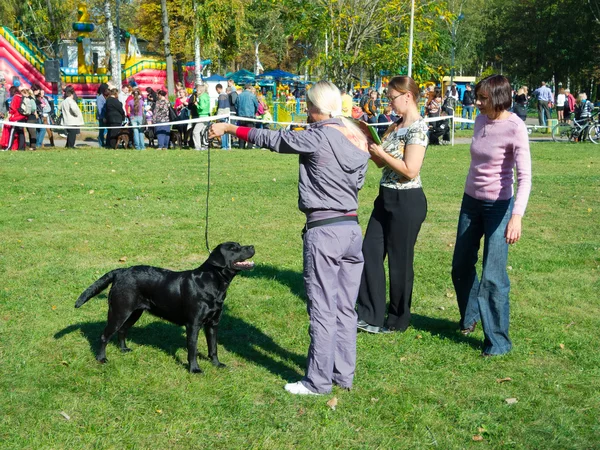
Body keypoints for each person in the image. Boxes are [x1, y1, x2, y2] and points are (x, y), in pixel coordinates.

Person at [209, 80, 370, 395]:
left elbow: (275, 139)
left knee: (323, 308)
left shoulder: (319, 135)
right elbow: (359, 182)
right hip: (351, 228)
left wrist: (230, 129)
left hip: (324, 231)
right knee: (345, 308)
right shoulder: (357, 137)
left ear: (313, 108)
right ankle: (343, 376)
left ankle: (318, 382)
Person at [451, 74, 531, 357]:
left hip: (500, 206)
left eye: (483, 98)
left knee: (494, 277)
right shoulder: (480, 120)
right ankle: (470, 315)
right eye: (478, 97)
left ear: (498, 98)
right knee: (460, 266)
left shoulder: (515, 127)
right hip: (471, 202)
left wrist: (516, 216)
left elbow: (525, 177)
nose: (477, 103)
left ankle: (498, 341)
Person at [356, 76, 429, 334]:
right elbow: (381, 164)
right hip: (385, 197)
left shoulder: (418, 129)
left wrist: (383, 154)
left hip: (407, 201)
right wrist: (370, 146)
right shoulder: (394, 126)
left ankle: (399, 319)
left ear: (407, 96)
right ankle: (369, 314)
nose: (389, 104)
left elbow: (410, 170)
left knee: (400, 262)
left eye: (392, 98)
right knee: (369, 252)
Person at [235, 83, 259, 148]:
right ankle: (249, 146)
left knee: (242, 132)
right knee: (250, 132)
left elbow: (236, 106)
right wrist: (254, 112)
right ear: (249, 88)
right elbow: (256, 106)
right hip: (250, 116)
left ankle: (241, 146)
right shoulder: (252, 96)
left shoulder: (239, 96)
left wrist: (238, 113)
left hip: (241, 116)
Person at [192, 84, 210, 150]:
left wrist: (197, 105)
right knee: (203, 132)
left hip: (202, 116)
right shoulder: (207, 96)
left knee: (195, 131)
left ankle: (197, 146)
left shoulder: (201, 97)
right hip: (207, 115)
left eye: (197, 90)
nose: (196, 92)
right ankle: (205, 145)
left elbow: (202, 107)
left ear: (200, 90)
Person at [215, 83, 231, 149]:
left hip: (222, 115)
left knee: (223, 131)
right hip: (227, 114)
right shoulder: (226, 95)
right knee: (226, 131)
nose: (217, 92)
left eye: (216, 90)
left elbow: (221, 107)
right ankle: (227, 145)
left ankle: (224, 146)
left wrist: (217, 117)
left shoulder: (221, 96)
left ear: (218, 89)